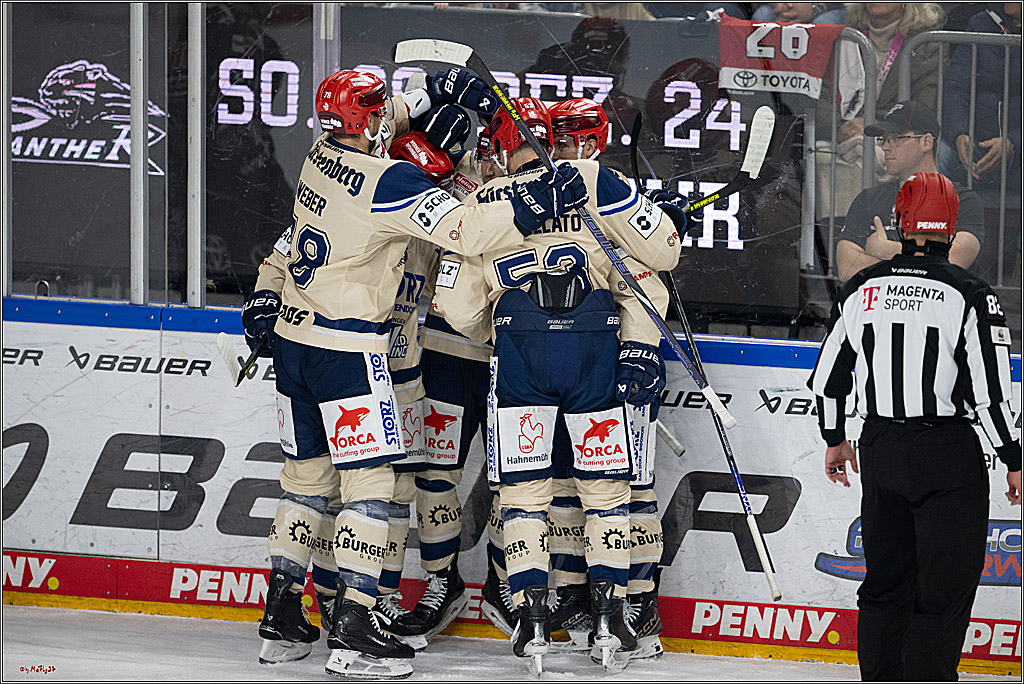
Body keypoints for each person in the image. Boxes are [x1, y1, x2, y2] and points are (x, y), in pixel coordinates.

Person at [243, 67, 585, 679]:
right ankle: (355, 628)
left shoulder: (317, 157)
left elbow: (380, 121)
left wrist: (431, 87)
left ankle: (283, 615)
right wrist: (533, 200)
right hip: (348, 353)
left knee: (305, 482)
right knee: (373, 488)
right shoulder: (391, 182)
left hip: (294, 347)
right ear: (370, 118)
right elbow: (467, 231)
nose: (386, 114)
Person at [434, 96, 685, 672]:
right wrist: (659, 223)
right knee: (608, 493)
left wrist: (501, 324)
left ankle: (532, 616)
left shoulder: (484, 202)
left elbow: (457, 305)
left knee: (523, 494)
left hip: (520, 356)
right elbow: (660, 259)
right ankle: (614, 613)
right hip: (595, 353)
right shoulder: (595, 181)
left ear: (502, 149)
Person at [807, 171, 1021, 680]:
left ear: (901, 224)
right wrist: (1013, 459)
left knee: (885, 585)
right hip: (947, 453)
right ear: (952, 227)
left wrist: (835, 439)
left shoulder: (862, 287)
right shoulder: (971, 292)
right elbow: (990, 393)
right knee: (943, 590)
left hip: (881, 448)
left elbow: (828, 380)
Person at [547, 96, 665, 660]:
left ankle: (639, 604)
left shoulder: (611, 191)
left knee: (629, 488)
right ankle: (578, 596)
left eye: (569, 140)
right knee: (567, 487)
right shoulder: (542, 191)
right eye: (555, 139)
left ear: (593, 144)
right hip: (567, 366)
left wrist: (640, 349)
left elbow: (650, 276)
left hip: (621, 363)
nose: (559, 149)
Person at [835, 101, 984, 283]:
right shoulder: (868, 199)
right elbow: (846, 267)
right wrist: (921, 261)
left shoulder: (964, 200)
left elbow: (953, 261)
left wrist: (887, 250)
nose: (885, 147)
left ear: (926, 142)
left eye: (896, 138)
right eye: (884, 139)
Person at [939, 2, 1021, 190]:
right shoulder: (980, 24)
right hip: (977, 145)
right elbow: (956, 86)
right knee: (937, 157)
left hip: (1019, 151)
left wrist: (1014, 142)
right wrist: (960, 135)